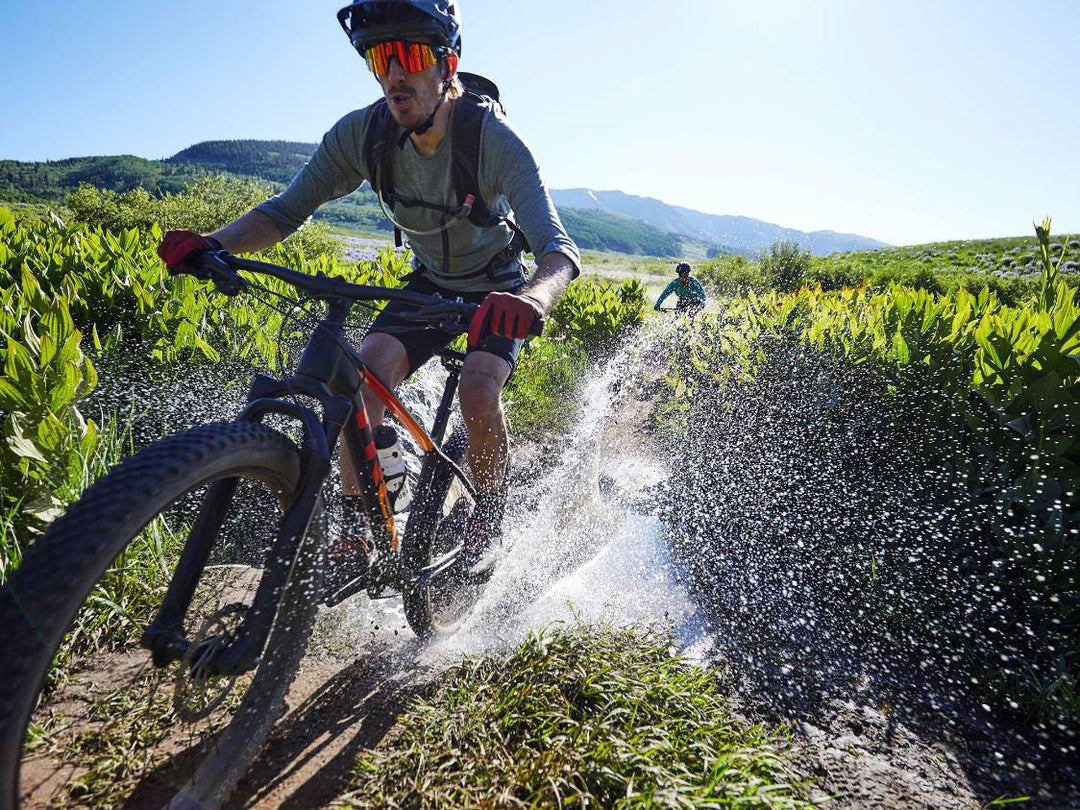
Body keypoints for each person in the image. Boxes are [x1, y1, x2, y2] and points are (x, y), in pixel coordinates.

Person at [157, 0, 580, 575]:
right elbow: (284, 212)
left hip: (496, 290)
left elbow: (558, 249)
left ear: (447, 64)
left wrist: (532, 298)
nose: (393, 75)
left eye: (408, 55)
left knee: (479, 392)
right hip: (429, 284)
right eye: (381, 57)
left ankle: (492, 517)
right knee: (364, 381)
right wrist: (214, 243)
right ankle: (369, 525)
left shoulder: (494, 141)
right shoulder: (364, 135)